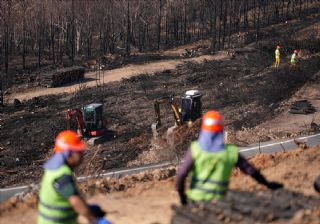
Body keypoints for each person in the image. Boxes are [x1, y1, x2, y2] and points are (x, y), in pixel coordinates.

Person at [176, 111, 283, 205]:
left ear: (204, 130)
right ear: (221, 130)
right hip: (218, 201)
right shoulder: (230, 152)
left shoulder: (195, 149)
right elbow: (251, 171)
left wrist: (182, 197)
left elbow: (181, 174)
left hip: (196, 199)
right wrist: (267, 184)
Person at [38, 130, 111, 224]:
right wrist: (94, 220)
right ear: (69, 153)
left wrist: (87, 208)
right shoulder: (62, 174)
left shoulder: (53, 169)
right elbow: (75, 200)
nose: (82, 156)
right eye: (79, 152)